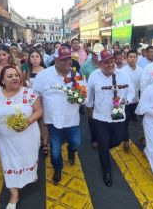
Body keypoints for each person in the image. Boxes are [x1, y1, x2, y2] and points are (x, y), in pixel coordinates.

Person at [0, 66, 42, 209]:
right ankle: (14, 195)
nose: (15, 78)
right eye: (9, 76)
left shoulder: (29, 94)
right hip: (5, 141)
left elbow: (39, 111)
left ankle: (27, 176)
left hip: (27, 139)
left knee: (27, 162)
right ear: (2, 80)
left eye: (16, 75)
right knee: (8, 164)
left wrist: (27, 122)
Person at [32, 46, 84, 185]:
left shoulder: (76, 75)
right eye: (62, 59)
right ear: (55, 60)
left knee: (76, 142)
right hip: (53, 121)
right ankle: (57, 168)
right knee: (55, 149)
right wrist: (38, 110)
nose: (66, 62)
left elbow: (85, 96)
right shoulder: (43, 75)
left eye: (68, 59)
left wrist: (81, 98)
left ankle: (71, 150)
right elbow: (34, 94)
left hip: (72, 120)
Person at [86, 49, 135, 187]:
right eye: (106, 62)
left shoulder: (123, 75)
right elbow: (89, 96)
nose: (110, 65)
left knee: (117, 140)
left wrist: (125, 100)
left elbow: (131, 92)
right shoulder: (94, 76)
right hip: (100, 116)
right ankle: (106, 171)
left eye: (112, 61)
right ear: (100, 63)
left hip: (118, 114)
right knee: (103, 144)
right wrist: (89, 110)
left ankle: (104, 148)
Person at [23, 49, 49, 155]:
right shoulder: (26, 71)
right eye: (32, 57)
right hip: (29, 101)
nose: (35, 59)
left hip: (42, 100)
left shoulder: (45, 71)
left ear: (41, 58)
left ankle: (45, 142)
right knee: (32, 122)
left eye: (37, 56)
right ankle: (36, 142)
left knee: (43, 123)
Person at [80, 43, 103, 149]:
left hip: (104, 96)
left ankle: (102, 136)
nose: (98, 57)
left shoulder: (105, 63)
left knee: (102, 118)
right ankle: (94, 139)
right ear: (92, 54)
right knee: (92, 118)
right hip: (91, 96)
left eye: (100, 54)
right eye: (96, 54)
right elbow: (81, 81)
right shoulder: (85, 66)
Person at [120, 50, 142, 150]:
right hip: (125, 101)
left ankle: (144, 137)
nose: (132, 59)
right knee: (126, 121)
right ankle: (125, 140)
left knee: (140, 121)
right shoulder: (122, 71)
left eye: (134, 57)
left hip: (136, 100)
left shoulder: (141, 70)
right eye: (130, 57)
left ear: (137, 58)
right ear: (126, 58)